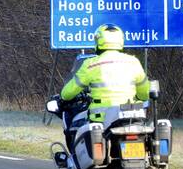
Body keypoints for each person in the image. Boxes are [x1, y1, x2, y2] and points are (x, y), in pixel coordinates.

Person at [59, 24, 150, 153]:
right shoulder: (133, 62)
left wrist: (63, 97)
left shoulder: (91, 64)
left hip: (101, 118)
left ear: (98, 41)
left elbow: (69, 92)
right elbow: (145, 92)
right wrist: (139, 97)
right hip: (131, 116)